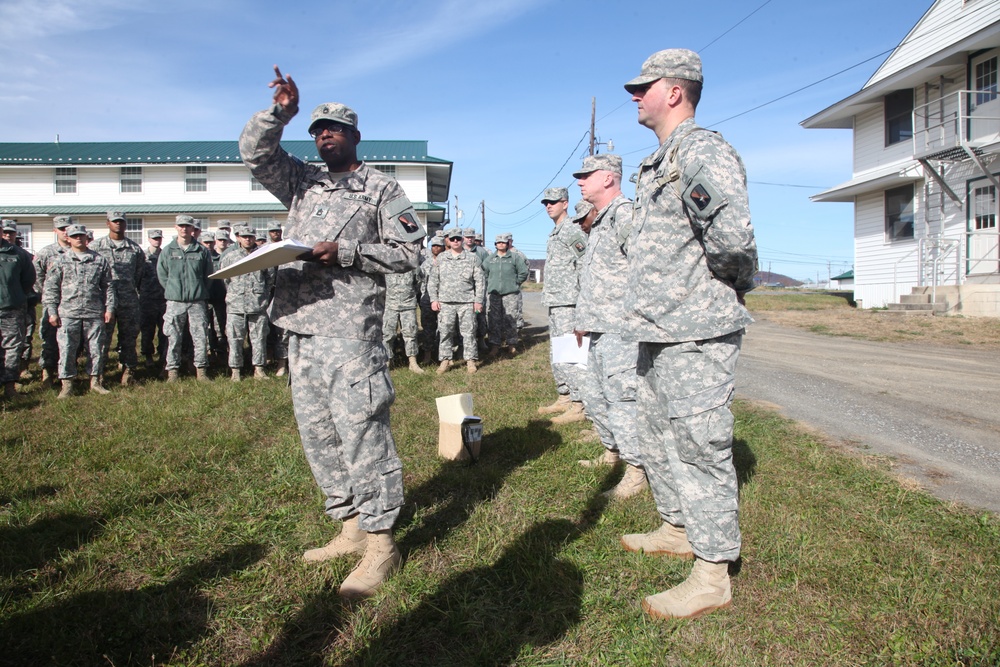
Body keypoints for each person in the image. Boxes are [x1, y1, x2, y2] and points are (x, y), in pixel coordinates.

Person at [240, 66, 424, 598]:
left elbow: (410, 253)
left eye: (335, 129)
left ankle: (382, 543)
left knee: (363, 430)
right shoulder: (302, 182)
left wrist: (344, 251)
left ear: (355, 137)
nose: (325, 136)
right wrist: (281, 113)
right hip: (299, 327)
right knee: (318, 434)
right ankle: (349, 525)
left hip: (350, 331)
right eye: (318, 129)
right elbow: (255, 154)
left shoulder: (382, 189)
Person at [621, 49, 758, 620]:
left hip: (695, 328)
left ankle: (712, 572)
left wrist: (715, 295)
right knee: (659, 437)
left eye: (643, 87)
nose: (635, 95)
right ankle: (678, 527)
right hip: (656, 328)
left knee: (701, 446)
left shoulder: (702, 151)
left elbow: (734, 241)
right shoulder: (659, 162)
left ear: (674, 91)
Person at [572, 154, 647, 497]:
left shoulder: (625, 214)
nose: (580, 182)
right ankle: (612, 452)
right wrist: (582, 321)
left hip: (620, 327)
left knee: (622, 398)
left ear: (608, 178)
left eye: (587, 175)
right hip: (596, 327)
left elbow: (645, 264)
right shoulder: (600, 221)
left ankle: (636, 471)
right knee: (595, 394)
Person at [43, 224, 115, 398]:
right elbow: (51, 288)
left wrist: (109, 308)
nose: (78, 239)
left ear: (86, 237)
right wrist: (52, 311)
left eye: (81, 236)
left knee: (96, 348)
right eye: (74, 236)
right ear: (68, 238)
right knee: (67, 349)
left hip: (94, 312)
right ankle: (67, 384)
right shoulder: (60, 260)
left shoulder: (99, 260)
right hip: (68, 313)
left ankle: (96, 381)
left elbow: (108, 286)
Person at [538, 189, 589, 421]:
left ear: (565, 203)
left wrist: (583, 301)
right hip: (557, 301)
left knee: (571, 353)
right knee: (557, 352)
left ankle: (579, 405)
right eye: (546, 203)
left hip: (570, 302)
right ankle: (565, 396)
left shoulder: (571, 230)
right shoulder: (555, 232)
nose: (548, 206)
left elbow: (584, 264)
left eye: (553, 202)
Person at [90, 211, 147, 386]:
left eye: (121, 222)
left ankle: (128, 373)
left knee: (129, 338)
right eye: (115, 222)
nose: (118, 225)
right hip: (104, 301)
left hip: (128, 300)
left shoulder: (135, 249)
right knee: (102, 340)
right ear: (108, 223)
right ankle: (99, 375)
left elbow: (138, 274)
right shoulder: (96, 247)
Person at [157, 215, 214, 382]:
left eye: (188, 226)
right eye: (181, 226)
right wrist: (173, 290)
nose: (184, 229)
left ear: (193, 229)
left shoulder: (201, 251)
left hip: (197, 302)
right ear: (176, 227)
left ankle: (201, 371)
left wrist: (199, 290)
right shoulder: (168, 250)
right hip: (175, 301)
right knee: (173, 337)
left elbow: (208, 276)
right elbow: (162, 275)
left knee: (200, 336)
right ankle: (173, 371)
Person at [428, 229, 484, 375]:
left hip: (467, 302)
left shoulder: (472, 258)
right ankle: (445, 360)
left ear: (462, 240)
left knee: (469, 332)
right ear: (448, 240)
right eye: (452, 239)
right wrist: (434, 299)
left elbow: (480, 281)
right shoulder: (441, 257)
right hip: (446, 302)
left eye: (458, 239)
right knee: (445, 332)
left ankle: (470, 361)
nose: (455, 241)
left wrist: (478, 301)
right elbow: (433, 280)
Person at [222, 227, 273, 380]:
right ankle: (236, 370)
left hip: (258, 306)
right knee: (234, 339)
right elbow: (225, 279)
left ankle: (259, 369)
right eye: (244, 237)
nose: (247, 239)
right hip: (236, 306)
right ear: (238, 238)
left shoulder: (263, 256)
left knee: (259, 339)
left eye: (250, 237)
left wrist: (261, 296)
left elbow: (270, 279)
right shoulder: (230, 257)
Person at [33, 215, 73, 386]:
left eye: (67, 228)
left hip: (74, 305)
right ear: (55, 230)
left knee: (72, 341)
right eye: (61, 228)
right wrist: (48, 296)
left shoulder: (79, 250)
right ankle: (47, 372)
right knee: (49, 339)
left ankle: (69, 372)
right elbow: (36, 276)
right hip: (54, 305)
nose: (65, 232)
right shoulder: (47, 252)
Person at [0, 223, 36, 398]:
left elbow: (28, 280)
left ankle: (10, 387)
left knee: (12, 348)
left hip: (12, 308)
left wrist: (14, 294)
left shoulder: (18, 254)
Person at [483, 232, 528, 357]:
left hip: (510, 294)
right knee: (494, 320)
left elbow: (523, 272)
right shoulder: (490, 259)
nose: (501, 244)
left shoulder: (514, 258)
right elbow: (483, 272)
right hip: (494, 294)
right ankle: (495, 346)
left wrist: (515, 283)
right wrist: (490, 284)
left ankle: (512, 345)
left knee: (510, 319)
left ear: (507, 244)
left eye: (503, 242)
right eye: (499, 242)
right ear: (495, 244)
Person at [382, 266, 424, 373]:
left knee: (411, 333)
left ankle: (413, 362)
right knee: (387, 334)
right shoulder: (385, 266)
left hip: (408, 305)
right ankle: (387, 361)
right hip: (390, 305)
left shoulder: (413, 267)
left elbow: (418, 283)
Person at [140, 229, 168, 367]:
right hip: (147, 299)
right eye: (154, 238)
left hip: (163, 299)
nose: (157, 240)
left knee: (164, 330)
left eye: (159, 238)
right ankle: (148, 355)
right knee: (147, 329)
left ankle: (163, 355)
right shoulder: (142, 256)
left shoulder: (165, 255)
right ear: (149, 239)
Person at [418, 236, 446, 364]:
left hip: (445, 297)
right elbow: (421, 282)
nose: (435, 248)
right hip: (428, 298)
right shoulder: (426, 263)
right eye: (433, 246)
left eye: (438, 246)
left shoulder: (447, 261)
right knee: (428, 327)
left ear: (443, 247)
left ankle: (445, 355)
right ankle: (427, 354)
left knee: (445, 327)